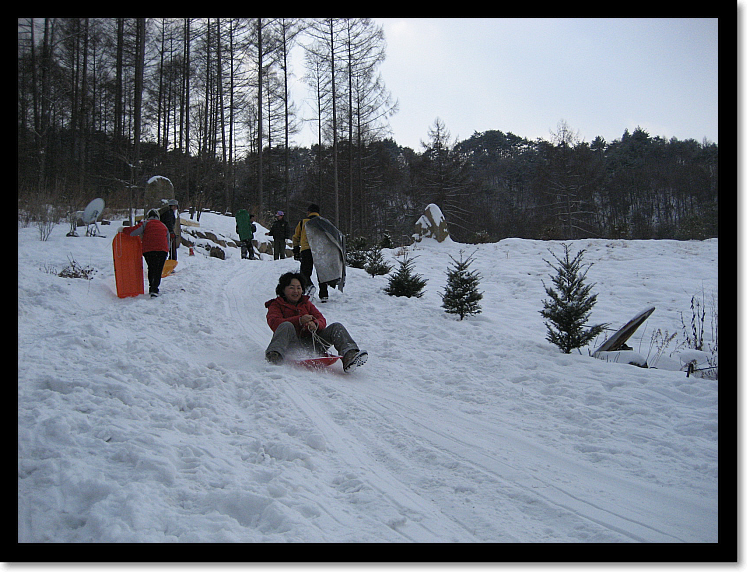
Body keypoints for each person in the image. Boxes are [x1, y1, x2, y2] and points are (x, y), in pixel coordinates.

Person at [265, 272, 368, 372]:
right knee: (286, 325)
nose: (296, 291)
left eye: (299, 288)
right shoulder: (276, 304)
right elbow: (274, 323)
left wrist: (315, 324)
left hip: (314, 343)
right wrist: (299, 320)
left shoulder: (306, 304)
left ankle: (349, 356)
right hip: (291, 345)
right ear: (283, 290)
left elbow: (321, 319)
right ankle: (274, 356)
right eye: (291, 288)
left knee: (336, 327)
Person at [293, 203, 341, 301]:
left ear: (309, 212)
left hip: (306, 250)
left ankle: (309, 286)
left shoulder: (303, 222)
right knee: (322, 272)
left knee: (305, 272)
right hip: (321, 250)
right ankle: (324, 295)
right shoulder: (324, 223)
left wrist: (296, 249)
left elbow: (296, 237)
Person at [121, 209, 170, 298]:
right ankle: (155, 288)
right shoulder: (164, 226)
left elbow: (133, 232)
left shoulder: (146, 223)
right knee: (158, 269)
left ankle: (152, 287)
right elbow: (168, 240)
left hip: (149, 250)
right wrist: (167, 250)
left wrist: (123, 230)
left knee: (151, 267)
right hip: (162, 250)